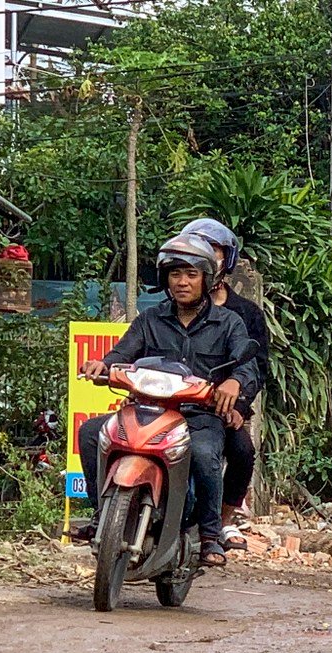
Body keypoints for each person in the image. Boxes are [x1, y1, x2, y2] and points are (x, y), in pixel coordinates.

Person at [77, 233, 253, 567]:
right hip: (146, 411)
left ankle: (211, 535)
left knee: (203, 453)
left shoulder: (229, 323)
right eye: (175, 274)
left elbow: (247, 367)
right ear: (165, 279)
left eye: (191, 274)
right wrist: (104, 365)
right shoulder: (149, 320)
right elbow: (122, 353)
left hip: (199, 417)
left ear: (207, 278)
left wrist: (233, 382)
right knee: (91, 433)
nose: (183, 282)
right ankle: (103, 515)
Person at [181, 217, 271, 547]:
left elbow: (256, 365)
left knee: (242, 451)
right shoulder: (171, 308)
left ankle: (220, 521)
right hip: (175, 402)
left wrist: (239, 402)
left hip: (224, 408)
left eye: (214, 249)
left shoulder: (245, 314)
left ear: (227, 259)